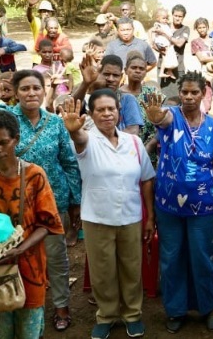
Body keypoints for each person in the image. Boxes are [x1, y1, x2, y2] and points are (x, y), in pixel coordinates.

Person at [0, 69, 82, 332]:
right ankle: (19, 305)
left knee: (55, 258)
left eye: (36, 88)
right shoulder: (7, 118)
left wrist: (75, 200)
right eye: (24, 88)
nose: (31, 93)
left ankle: (61, 306)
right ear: (15, 92)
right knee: (17, 257)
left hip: (52, 202)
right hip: (12, 206)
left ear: (44, 88)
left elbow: (69, 163)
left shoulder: (56, 122)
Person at [0, 110, 64, 339]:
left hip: (30, 268)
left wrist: (20, 249)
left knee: (28, 330)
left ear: (16, 140)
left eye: (3, 142)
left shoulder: (35, 176)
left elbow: (47, 224)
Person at [61, 90, 155, 339]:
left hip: (131, 216)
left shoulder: (133, 142)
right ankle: (106, 315)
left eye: (110, 109)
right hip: (97, 217)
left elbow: (146, 179)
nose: (106, 113)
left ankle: (132, 314)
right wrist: (73, 130)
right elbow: (79, 138)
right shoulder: (86, 140)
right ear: (91, 114)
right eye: (100, 109)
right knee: (103, 271)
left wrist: (150, 217)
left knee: (131, 268)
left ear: (119, 112)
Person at [144, 72, 213, 334]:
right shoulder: (171, 118)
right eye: (185, 92)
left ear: (204, 93)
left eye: (195, 92)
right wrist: (155, 114)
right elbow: (161, 117)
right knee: (171, 258)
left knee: (204, 257)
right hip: (168, 206)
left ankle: (210, 306)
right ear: (178, 93)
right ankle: (175, 309)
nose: (189, 97)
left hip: (204, 207)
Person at [71, 54, 144, 135]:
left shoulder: (127, 99)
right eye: (106, 74)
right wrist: (86, 83)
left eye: (115, 75)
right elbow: (71, 109)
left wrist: (105, 142)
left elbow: (133, 131)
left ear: (121, 76)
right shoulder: (89, 98)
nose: (111, 79)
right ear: (98, 73)